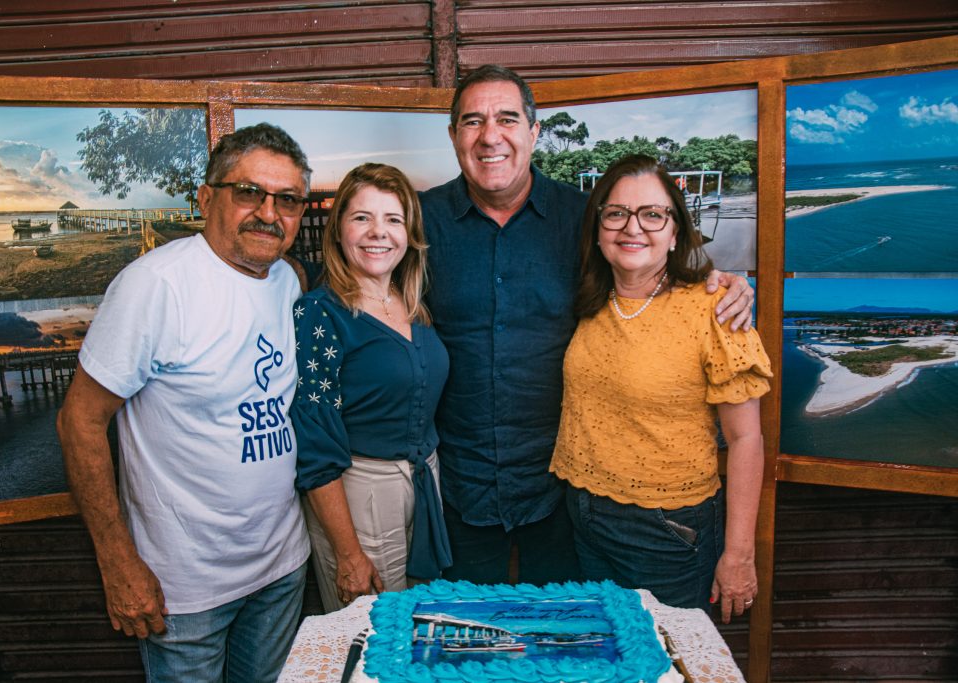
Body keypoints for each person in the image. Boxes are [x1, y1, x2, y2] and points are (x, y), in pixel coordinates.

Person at [418, 64, 756, 585]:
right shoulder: (418, 222)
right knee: (473, 651)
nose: (491, 136)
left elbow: (647, 257)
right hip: (458, 488)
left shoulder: (585, 217)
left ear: (533, 133)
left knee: (577, 649)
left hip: (565, 496)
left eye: (507, 119)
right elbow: (357, 282)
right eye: (472, 121)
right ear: (453, 135)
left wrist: (722, 283)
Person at [56, 123, 312, 681]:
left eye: (288, 200)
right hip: (187, 589)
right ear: (206, 198)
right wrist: (118, 562)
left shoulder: (288, 281)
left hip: (282, 568)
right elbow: (79, 422)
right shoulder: (155, 286)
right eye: (249, 193)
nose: (269, 213)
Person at [550, 154, 771, 623]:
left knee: (667, 661)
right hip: (582, 514)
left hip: (668, 531)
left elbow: (746, 439)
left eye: (652, 214)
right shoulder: (590, 303)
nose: (633, 227)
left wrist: (739, 556)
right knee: (608, 659)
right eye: (616, 213)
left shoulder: (715, 311)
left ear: (675, 233)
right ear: (597, 228)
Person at [291, 163, 451, 612]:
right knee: (374, 637)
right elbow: (314, 443)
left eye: (393, 220)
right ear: (338, 228)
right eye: (362, 217)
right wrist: (348, 553)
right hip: (361, 494)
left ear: (410, 234)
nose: (378, 232)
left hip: (423, 484)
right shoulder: (320, 313)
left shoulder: (414, 303)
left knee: (418, 631)